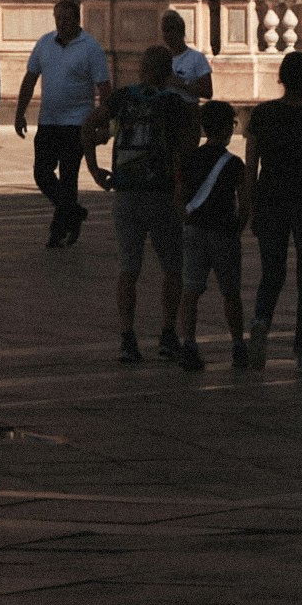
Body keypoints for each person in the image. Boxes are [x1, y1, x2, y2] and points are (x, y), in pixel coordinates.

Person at [243, 50, 302, 360]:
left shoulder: (261, 115)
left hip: (270, 198)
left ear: (280, 78)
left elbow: (251, 166)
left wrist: (251, 208)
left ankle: (260, 323)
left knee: (272, 272)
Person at [97, 38, 183, 363]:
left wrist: (94, 169)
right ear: (168, 73)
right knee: (172, 267)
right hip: (160, 194)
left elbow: (90, 124)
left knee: (129, 267)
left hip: (127, 194)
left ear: (142, 70)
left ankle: (127, 337)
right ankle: (167, 333)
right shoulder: (172, 102)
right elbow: (181, 151)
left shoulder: (123, 98)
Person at [14, 0, 109, 243]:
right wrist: (20, 111)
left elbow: (103, 88)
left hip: (77, 122)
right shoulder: (44, 43)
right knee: (42, 173)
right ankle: (73, 212)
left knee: (69, 176)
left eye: (66, 19)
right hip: (48, 120)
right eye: (57, 18)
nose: (61, 23)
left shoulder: (91, 48)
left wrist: (104, 123)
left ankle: (58, 231)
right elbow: (30, 78)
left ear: (77, 19)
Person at [173, 93, 250, 371]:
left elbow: (179, 196)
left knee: (191, 289)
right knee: (231, 291)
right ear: (229, 128)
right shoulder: (234, 164)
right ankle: (238, 345)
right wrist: (237, 228)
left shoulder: (189, 159)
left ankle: (189, 344)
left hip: (195, 228)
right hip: (223, 230)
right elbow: (245, 201)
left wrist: (188, 218)